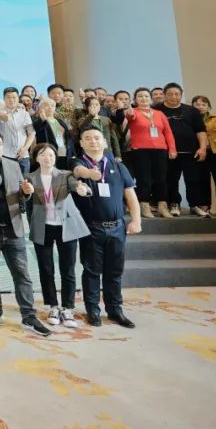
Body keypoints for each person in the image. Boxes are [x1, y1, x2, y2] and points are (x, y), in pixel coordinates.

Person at [0, 131, 51, 337]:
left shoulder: (13, 164)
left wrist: (26, 193)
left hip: (13, 227)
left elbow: (20, 197)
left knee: (22, 274)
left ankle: (29, 315)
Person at [71, 127, 142, 328]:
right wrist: (90, 174)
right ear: (81, 143)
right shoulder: (77, 163)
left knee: (114, 272)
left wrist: (136, 220)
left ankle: (115, 310)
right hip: (92, 228)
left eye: (96, 138)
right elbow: (77, 172)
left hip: (118, 227)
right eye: (87, 138)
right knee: (92, 271)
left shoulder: (119, 167)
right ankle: (92, 309)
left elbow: (130, 195)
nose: (92, 141)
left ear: (104, 142)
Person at [24, 143, 90, 329]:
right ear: (36, 158)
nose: (48, 158)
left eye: (51, 155)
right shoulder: (29, 177)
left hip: (65, 226)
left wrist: (82, 189)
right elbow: (25, 197)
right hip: (42, 227)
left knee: (67, 269)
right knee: (46, 269)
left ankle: (67, 308)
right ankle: (53, 306)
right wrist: (26, 193)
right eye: (43, 155)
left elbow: (77, 185)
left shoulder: (65, 175)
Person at [155, 83, 209, 217]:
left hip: (191, 152)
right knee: (171, 179)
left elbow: (200, 130)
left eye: (177, 94)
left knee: (193, 179)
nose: (174, 97)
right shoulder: (156, 110)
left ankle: (194, 205)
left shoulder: (191, 110)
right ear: (164, 95)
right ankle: (174, 203)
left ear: (181, 94)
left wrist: (202, 148)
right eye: (170, 94)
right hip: (168, 152)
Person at [125, 88, 176, 219]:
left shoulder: (159, 113)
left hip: (160, 150)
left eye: (146, 96)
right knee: (144, 179)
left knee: (161, 179)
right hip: (140, 151)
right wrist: (129, 113)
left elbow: (168, 132)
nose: (144, 98)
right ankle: (144, 206)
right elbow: (130, 117)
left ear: (150, 99)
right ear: (135, 99)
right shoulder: (133, 112)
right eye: (140, 96)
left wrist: (172, 149)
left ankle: (162, 206)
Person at [0, 87, 35, 174]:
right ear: (4, 99)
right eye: (8, 97)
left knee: (25, 181)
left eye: (14, 97)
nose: (11, 100)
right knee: (9, 182)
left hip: (23, 155)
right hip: (5, 155)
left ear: (18, 98)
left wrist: (25, 148)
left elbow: (31, 133)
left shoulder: (24, 114)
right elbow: (4, 117)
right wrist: (8, 111)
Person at [33, 99, 74, 169]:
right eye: (46, 105)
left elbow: (69, 138)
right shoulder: (38, 122)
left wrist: (72, 153)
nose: (50, 107)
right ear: (41, 108)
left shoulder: (60, 121)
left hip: (64, 153)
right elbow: (39, 134)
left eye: (52, 105)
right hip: (48, 154)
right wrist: (44, 120)